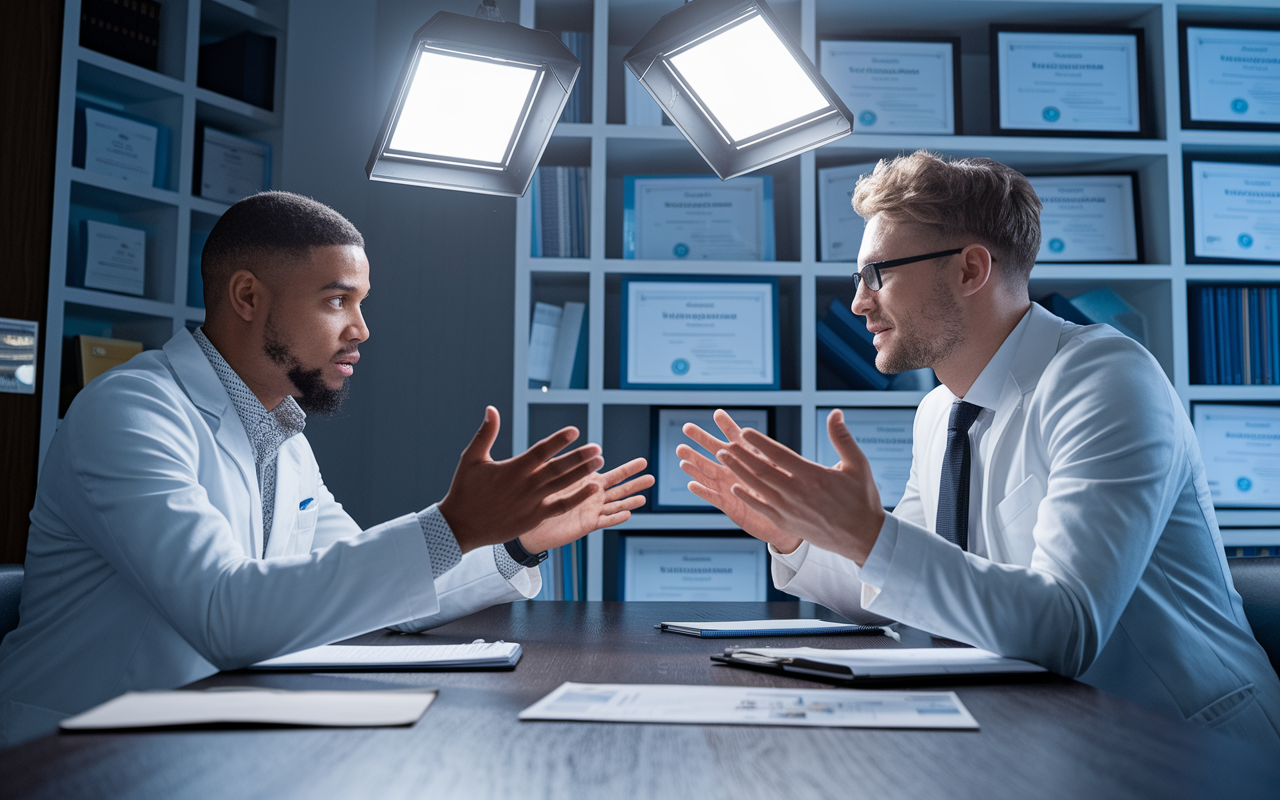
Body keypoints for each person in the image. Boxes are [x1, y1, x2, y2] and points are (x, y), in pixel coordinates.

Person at [0, 191, 653, 746]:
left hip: (198, 741)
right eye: (338, 301)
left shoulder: (286, 440)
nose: (362, 329)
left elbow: (376, 595)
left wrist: (515, 540)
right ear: (248, 296)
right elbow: (224, 616)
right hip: (73, 752)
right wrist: (452, 525)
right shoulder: (129, 413)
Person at [679, 151, 1280, 750]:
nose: (860, 302)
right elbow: (902, 584)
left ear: (970, 270)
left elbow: (1066, 628)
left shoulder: (1106, 377)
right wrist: (796, 536)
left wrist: (866, 535)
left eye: (876, 274)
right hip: (1045, 736)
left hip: (1189, 749)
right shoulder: (939, 410)